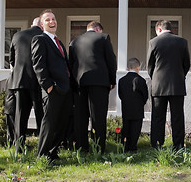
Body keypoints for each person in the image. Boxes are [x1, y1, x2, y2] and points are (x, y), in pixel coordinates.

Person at [69, 20, 117, 153]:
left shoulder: (74, 42)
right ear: (98, 29)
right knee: (98, 116)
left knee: (80, 117)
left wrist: (73, 83)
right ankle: (98, 148)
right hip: (99, 82)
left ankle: (81, 147)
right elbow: (111, 60)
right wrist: (112, 80)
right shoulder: (104, 37)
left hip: (79, 83)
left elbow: (71, 64)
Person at [32, 9, 73, 161]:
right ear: (42, 25)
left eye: (53, 19)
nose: (52, 22)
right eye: (48, 20)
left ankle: (53, 153)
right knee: (49, 124)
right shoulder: (40, 39)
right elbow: (38, 65)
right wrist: (48, 86)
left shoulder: (59, 42)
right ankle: (42, 155)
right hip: (52, 89)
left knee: (61, 124)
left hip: (65, 89)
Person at [147, 20, 190, 149]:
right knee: (177, 117)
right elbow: (186, 64)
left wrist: (155, 77)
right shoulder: (182, 42)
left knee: (158, 117)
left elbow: (150, 65)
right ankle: (178, 145)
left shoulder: (154, 42)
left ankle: (157, 145)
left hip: (159, 85)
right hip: (177, 84)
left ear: (159, 29)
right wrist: (180, 75)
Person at [8, 17, 44, 150]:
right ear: (41, 25)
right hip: (37, 82)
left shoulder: (17, 35)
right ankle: (42, 146)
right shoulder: (43, 36)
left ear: (31, 25)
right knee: (41, 115)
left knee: (20, 115)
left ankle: (19, 146)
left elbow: (12, 60)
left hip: (20, 81)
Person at [118, 58, 148, 152]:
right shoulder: (141, 81)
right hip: (138, 109)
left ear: (128, 68)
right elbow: (145, 96)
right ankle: (133, 147)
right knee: (135, 130)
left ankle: (125, 147)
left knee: (126, 128)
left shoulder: (122, 80)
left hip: (126, 108)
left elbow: (120, 94)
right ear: (138, 67)